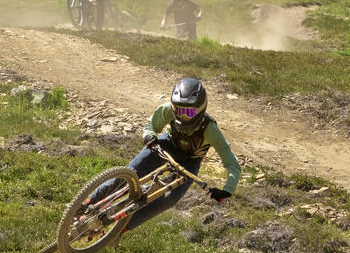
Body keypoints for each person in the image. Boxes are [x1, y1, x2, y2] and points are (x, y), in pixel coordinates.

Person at [93, 77, 241, 235]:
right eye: (179, 110)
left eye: (189, 112)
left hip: (190, 161)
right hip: (166, 145)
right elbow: (151, 125)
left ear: (200, 109)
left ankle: (118, 231)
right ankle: (87, 204)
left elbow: (232, 164)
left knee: (169, 199)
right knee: (131, 172)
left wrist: (227, 190)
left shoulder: (210, 130)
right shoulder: (167, 110)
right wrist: (149, 135)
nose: (183, 116)